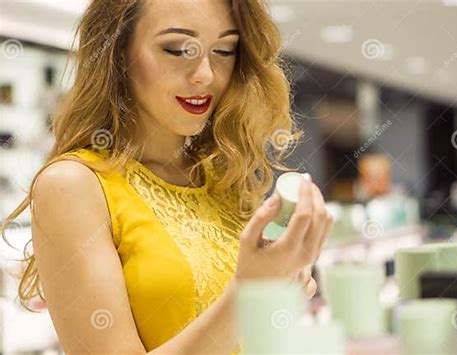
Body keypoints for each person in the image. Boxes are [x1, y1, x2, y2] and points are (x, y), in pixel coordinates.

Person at [1, 0, 333, 353]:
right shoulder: (73, 186)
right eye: (176, 49)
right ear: (118, 54)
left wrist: (279, 292)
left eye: (223, 50)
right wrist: (247, 296)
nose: (205, 73)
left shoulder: (219, 177)